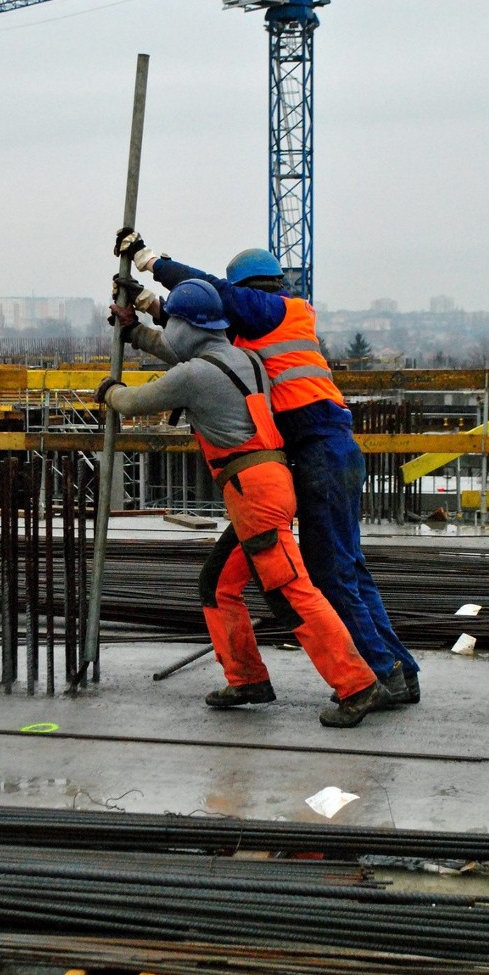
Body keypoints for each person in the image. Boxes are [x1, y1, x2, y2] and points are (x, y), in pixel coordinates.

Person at [112, 229, 420, 718]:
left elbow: (209, 309)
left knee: (322, 579)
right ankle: (397, 673)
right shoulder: (254, 342)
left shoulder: (276, 308)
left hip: (313, 457)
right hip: (312, 459)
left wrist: (153, 262)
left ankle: (373, 677)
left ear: (253, 288)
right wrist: (147, 313)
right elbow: (194, 347)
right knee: (339, 571)